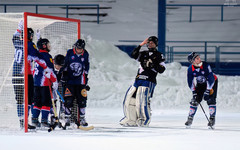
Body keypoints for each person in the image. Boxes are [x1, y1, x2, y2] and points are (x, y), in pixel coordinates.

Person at [120, 36, 166, 127]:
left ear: (156, 44)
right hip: (138, 79)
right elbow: (133, 55)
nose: (150, 44)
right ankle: (131, 119)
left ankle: (144, 120)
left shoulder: (159, 55)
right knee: (129, 99)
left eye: (152, 43)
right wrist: (141, 45)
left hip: (149, 80)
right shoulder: (143, 53)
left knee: (142, 101)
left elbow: (162, 69)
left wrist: (153, 65)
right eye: (148, 42)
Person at [12, 20, 50, 129]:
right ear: (30, 36)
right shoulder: (30, 44)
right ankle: (26, 122)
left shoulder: (17, 42)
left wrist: (19, 27)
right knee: (29, 99)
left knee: (19, 99)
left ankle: (21, 122)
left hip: (15, 74)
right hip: (26, 75)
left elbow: (15, 36)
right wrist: (39, 40)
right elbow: (38, 56)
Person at [59, 39, 90, 127]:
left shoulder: (86, 54)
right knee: (68, 99)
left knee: (82, 100)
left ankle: (82, 118)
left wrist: (85, 82)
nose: (79, 50)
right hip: (70, 81)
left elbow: (87, 68)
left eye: (81, 49)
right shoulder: (69, 52)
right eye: (78, 48)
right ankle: (67, 117)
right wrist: (63, 75)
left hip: (80, 81)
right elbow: (65, 65)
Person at [185, 52, 218, 128]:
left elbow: (211, 78)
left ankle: (212, 119)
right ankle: (190, 118)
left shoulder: (206, 65)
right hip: (201, 83)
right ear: (192, 61)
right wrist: (194, 92)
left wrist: (208, 90)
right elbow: (190, 81)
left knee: (210, 100)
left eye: (199, 57)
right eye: (197, 58)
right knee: (195, 100)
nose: (199, 59)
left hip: (212, 83)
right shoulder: (190, 69)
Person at [31, 38, 58, 128]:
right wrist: (54, 81)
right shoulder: (47, 56)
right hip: (45, 83)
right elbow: (50, 71)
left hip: (36, 83)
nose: (49, 46)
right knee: (46, 102)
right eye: (47, 44)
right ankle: (44, 121)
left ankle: (34, 119)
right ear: (43, 46)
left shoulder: (37, 55)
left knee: (37, 102)